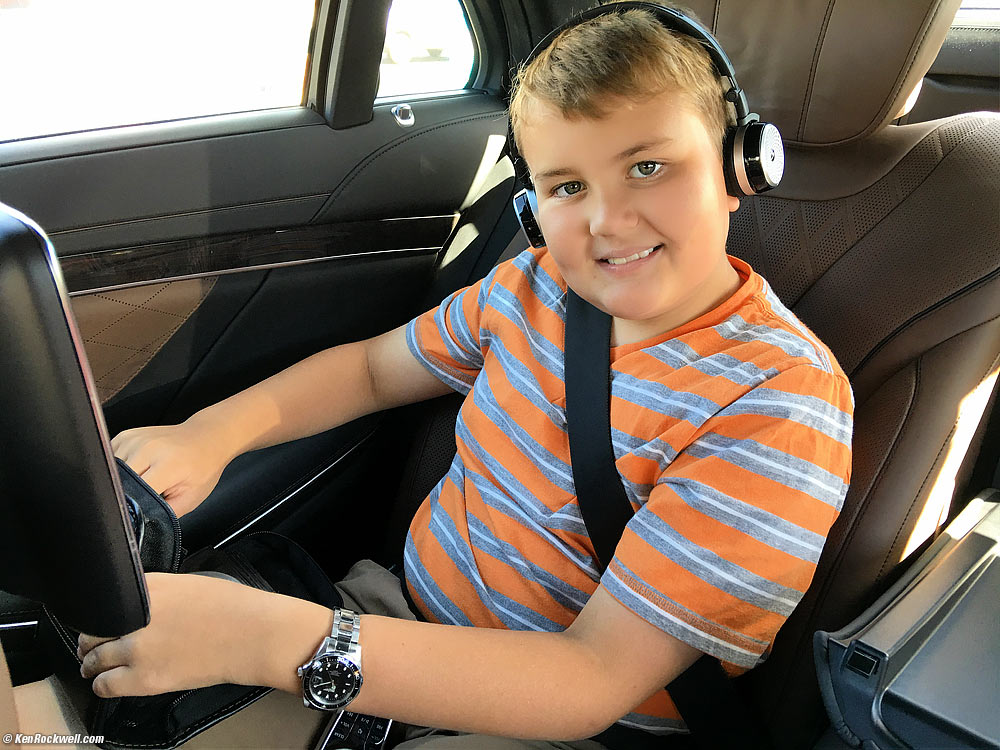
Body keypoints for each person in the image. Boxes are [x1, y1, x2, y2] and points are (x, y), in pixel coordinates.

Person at [78, 5, 853, 748]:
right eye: (566, 187)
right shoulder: (534, 287)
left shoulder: (777, 401)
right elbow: (373, 371)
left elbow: (593, 679)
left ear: (737, 167)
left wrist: (266, 640)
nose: (606, 221)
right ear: (532, 208)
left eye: (648, 166)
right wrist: (214, 434)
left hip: (557, 724)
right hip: (383, 618)